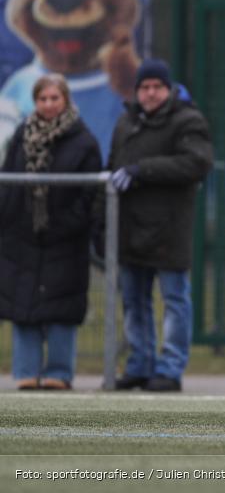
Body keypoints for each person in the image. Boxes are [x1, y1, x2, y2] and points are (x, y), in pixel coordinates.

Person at [108, 59, 212, 392]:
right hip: (129, 230)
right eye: (144, 87)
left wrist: (143, 169)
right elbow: (112, 172)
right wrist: (102, 227)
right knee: (134, 302)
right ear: (137, 91)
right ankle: (140, 365)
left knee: (174, 301)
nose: (150, 93)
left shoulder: (188, 121)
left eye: (156, 87)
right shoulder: (126, 123)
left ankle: (169, 368)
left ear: (167, 90)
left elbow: (196, 162)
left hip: (169, 231)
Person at [0, 74, 101, 390]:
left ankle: (59, 372)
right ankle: (26, 371)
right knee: (23, 305)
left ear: (66, 100)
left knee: (61, 304)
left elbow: (90, 193)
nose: (48, 105)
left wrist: (67, 223)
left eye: (54, 98)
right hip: (21, 235)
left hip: (64, 237)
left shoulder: (83, 141)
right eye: (42, 99)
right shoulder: (21, 135)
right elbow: (8, 182)